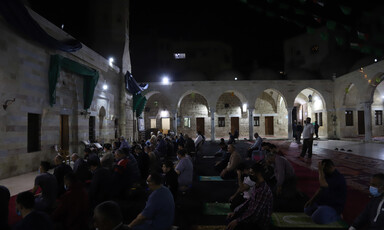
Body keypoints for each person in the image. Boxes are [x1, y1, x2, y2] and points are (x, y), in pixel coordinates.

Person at [226, 163, 273, 230]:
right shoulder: (257, 185)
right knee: (230, 218)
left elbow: (254, 213)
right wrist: (236, 212)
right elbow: (249, 201)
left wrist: (237, 220)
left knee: (232, 224)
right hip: (252, 217)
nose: (250, 175)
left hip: (259, 223)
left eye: (252, 173)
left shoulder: (263, 190)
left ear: (259, 174)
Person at [304, 159, 347, 224]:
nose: (323, 171)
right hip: (323, 203)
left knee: (317, 218)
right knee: (307, 210)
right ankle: (322, 210)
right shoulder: (328, 173)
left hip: (333, 206)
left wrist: (320, 171)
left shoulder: (338, 177)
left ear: (331, 167)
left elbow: (323, 185)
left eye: (324, 169)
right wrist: (311, 200)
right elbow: (321, 188)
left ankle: (337, 216)